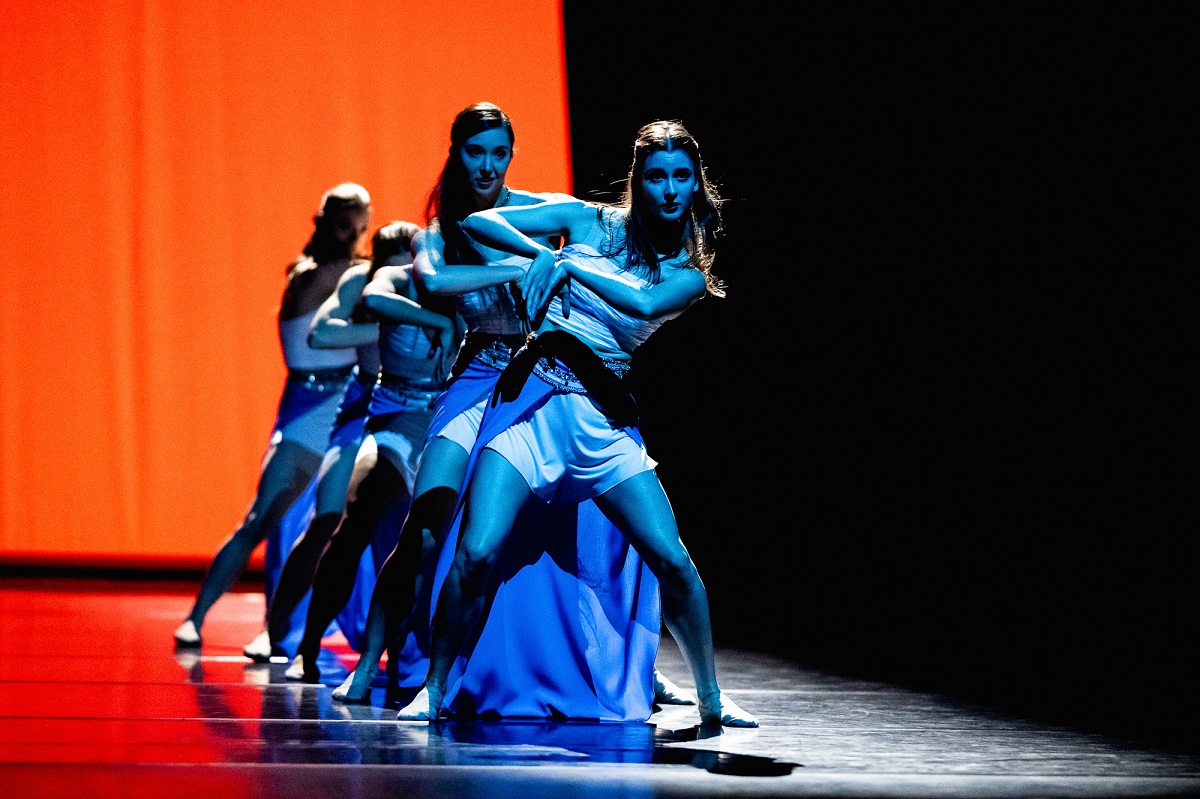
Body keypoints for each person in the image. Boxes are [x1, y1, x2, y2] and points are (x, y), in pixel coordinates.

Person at [329, 104, 695, 718]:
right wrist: (535, 260)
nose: (488, 165)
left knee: (599, 533)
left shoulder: (531, 208)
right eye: (476, 152)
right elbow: (439, 284)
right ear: (456, 154)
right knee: (425, 526)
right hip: (478, 376)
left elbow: (605, 253)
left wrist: (553, 256)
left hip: (541, 371)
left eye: (500, 153)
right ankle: (374, 662)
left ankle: (633, 669)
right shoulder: (440, 230)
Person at [395, 120, 758, 727]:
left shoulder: (687, 275)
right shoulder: (592, 222)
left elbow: (639, 304)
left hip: (601, 420)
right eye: (655, 176)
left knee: (672, 560)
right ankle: (434, 688)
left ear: (697, 186)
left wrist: (567, 268)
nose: (668, 189)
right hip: (532, 406)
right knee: (476, 552)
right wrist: (542, 253)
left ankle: (712, 697)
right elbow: (478, 222)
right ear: (637, 182)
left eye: (680, 176)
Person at [174, 183, 371, 648]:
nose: (355, 237)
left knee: (335, 527)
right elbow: (358, 274)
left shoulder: (358, 278)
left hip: (347, 413)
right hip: (306, 414)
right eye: (347, 226)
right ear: (324, 223)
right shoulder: (310, 276)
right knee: (262, 520)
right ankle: (197, 617)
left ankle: (283, 632)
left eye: (362, 229)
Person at [277, 219, 463, 673]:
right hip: (376, 412)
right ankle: (300, 641)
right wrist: (411, 320)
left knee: (420, 544)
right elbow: (329, 329)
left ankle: (409, 653)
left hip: (437, 419)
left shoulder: (456, 281)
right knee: (340, 522)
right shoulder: (370, 282)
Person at [244, 221, 431, 663]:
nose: (401, 281)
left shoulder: (432, 283)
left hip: (410, 412)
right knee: (328, 519)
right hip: (360, 409)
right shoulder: (359, 282)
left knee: (401, 533)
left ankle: (396, 645)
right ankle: (279, 630)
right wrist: (387, 325)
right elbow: (321, 334)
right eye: (392, 272)